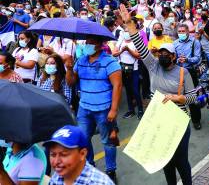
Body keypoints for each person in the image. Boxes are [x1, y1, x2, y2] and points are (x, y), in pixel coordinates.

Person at [121, 3, 198, 185]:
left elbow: (193, 96)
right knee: (166, 160)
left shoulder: (182, 72)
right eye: (160, 52)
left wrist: (178, 98)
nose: (162, 55)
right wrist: (130, 26)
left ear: (173, 56)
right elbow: (141, 47)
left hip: (178, 122)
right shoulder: (153, 66)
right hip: (159, 122)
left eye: (166, 53)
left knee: (181, 161)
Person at [65, 35, 122, 182]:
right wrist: (69, 69)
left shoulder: (110, 61)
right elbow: (71, 82)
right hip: (84, 108)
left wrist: (114, 109)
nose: (87, 46)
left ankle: (111, 171)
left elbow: (117, 85)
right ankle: (89, 165)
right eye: (86, 43)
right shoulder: (81, 60)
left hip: (104, 108)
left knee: (108, 141)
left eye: (90, 43)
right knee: (83, 139)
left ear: (99, 45)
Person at [45, 125, 114, 185]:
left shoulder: (100, 183)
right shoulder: (57, 176)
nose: (56, 161)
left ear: (82, 154)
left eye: (63, 155)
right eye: (53, 155)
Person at [173, 24, 202, 129]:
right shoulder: (174, 43)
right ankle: (180, 120)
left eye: (183, 31)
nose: (181, 33)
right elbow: (173, 58)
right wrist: (177, 60)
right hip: (177, 71)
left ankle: (196, 121)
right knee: (177, 96)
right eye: (179, 31)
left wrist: (187, 59)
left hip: (190, 71)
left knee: (192, 97)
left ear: (188, 32)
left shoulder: (195, 42)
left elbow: (198, 58)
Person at [113, 28, 143, 120]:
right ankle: (131, 110)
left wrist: (128, 50)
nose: (127, 32)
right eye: (125, 31)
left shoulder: (136, 41)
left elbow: (138, 55)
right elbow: (114, 53)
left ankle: (140, 110)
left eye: (128, 31)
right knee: (128, 90)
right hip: (122, 69)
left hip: (134, 69)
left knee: (135, 91)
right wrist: (122, 51)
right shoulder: (121, 41)